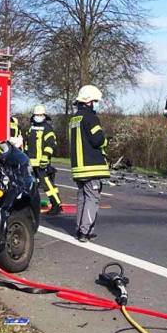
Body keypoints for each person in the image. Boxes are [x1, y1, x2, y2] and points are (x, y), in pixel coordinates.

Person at [68, 85, 110, 242]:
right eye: (96, 101)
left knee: (82, 199)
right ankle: (85, 232)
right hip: (91, 166)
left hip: (78, 167)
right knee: (92, 199)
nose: (97, 104)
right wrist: (105, 138)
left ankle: (80, 229)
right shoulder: (91, 118)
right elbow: (97, 139)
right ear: (89, 102)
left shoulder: (74, 119)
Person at [24, 105, 62, 215]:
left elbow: (51, 144)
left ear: (44, 116)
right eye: (36, 115)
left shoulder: (47, 128)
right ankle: (31, 205)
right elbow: (28, 144)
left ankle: (56, 204)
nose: (38, 117)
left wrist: (45, 157)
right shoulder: (32, 128)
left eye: (40, 115)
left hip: (42, 163)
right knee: (31, 184)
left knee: (47, 185)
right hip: (31, 162)